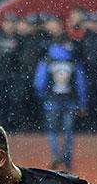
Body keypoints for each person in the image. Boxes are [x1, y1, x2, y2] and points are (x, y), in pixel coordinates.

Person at [33, 37, 87, 170]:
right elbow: (81, 83)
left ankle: (56, 154)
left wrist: (43, 95)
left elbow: (39, 82)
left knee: (52, 130)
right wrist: (82, 102)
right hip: (70, 101)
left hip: (51, 101)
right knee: (68, 131)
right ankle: (67, 158)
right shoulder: (73, 60)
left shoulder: (47, 60)